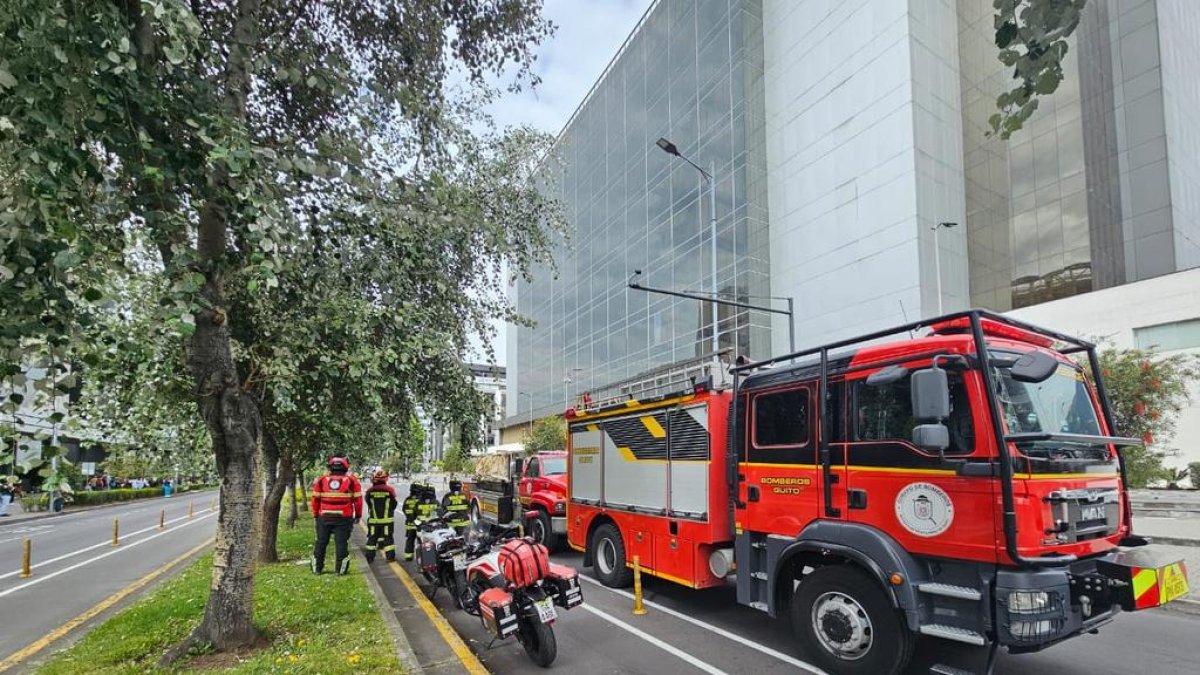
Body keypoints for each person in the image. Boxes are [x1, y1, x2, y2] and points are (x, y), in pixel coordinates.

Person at [310, 456, 363, 575]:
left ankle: (317, 569)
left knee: (321, 542)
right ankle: (340, 570)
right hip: (344, 518)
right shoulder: (352, 481)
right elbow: (358, 501)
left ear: (330, 466)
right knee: (341, 543)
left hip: (324, 517)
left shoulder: (322, 480)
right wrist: (358, 515)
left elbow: (315, 499)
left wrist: (315, 514)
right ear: (345, 467)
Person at [363, 470, 398, 563]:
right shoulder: (390, 490)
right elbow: (394, 504)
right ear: (385, 479)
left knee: (372, 538)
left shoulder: (370, 491)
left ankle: (369, 557)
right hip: (387, 521)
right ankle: (390, 557)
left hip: (374, 521)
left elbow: (369, 503)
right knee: (388, 539)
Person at [401, 483, 421, 561]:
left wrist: (410, 519)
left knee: (410, 540)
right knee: (420, 542)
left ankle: (408, 556)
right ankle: (421, 558)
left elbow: (404, 510)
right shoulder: (421, 499)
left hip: (410, 524)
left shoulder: (408, 499)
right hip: (419, 525)